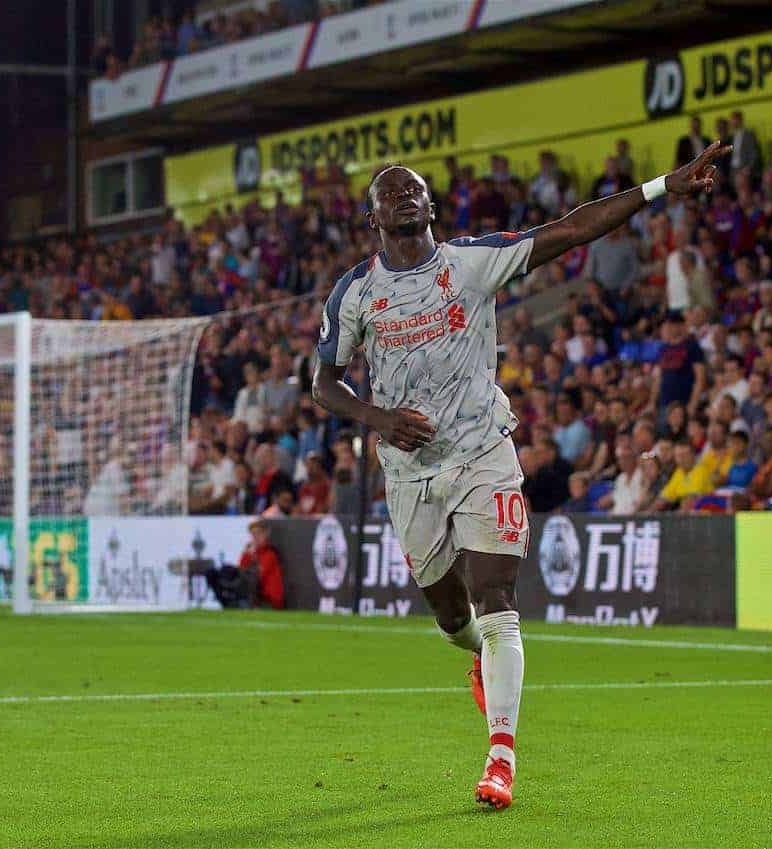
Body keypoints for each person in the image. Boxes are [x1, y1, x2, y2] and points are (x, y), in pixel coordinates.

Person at [311, 143, 728, 809]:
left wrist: (661, 188)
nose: (405, 198)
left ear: (430, 204)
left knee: (497, 599)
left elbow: (571, 227)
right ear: (373, 219)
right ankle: (474, 653)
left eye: (414, 189)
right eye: (391, 195)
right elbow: (324, 384)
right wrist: (377, 417)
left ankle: (500, 757)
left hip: (484, 454)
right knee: (452, 616)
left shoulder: (472, 263)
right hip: (412, 472)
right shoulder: (356, 294)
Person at [652, 439, 713, 512]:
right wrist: (650, 511)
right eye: (678, 456)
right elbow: (664, 497)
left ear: (693, 455)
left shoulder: (701, 470)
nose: (682, 459)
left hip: (706, 517)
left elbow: (690, 501)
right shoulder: (679, 472)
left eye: (685, 455)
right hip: (688, 517)